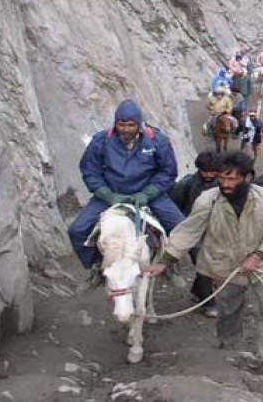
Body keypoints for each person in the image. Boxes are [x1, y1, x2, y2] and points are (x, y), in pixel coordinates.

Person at [147, 152, 263, 384]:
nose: (226, 184)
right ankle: (230, 349)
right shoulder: (208, 200)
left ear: (248, 177)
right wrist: (165, 261)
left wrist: (258, 255)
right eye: (222, 179)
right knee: (229, 309)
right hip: (225, 267)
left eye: (232, 179)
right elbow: (189, 230)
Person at [67, 100, 185, 281]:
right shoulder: (101, 141)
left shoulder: (157, 141)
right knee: (77, 230)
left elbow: (168, 171)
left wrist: (148, 193)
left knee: (179, 227)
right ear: (115, 124)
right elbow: (90, 171)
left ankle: (167, 264)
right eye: (121, 124)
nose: (126, 129)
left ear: (139, 125)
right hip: (111, 194)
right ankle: (97, 266)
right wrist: (107, 194)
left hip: (148, 194)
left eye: (131, 125)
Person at [168, 151, 221, 317]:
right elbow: (173, 208)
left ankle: (198, 290)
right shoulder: (186, 185)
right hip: (193, 231)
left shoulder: (223, 184)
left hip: (216, 231)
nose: (208, 175)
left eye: (212, 171)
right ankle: (209, 303)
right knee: (203, 263)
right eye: (205, 171)